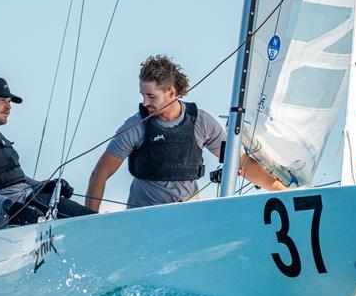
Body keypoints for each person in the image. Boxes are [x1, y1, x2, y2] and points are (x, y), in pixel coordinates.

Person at [85, 55, 285, 211]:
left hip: (185, 219)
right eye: (142, 95)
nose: (145, 103)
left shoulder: (201, 122)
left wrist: (285, 193)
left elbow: (240, 163)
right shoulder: (135, 127)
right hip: (143, 220)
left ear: (171, 93)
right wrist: (88, 222)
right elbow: (99, 173)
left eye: (151, 96)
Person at [0, 76, 94, 233]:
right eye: (2, 100)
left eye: (9, 102)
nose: (9, 107)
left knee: (94, 221)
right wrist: (10, 207)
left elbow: (13, 179)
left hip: (29, 204)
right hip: (8, 220)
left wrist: (44, 185)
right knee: (96, 226)